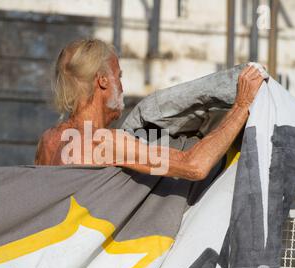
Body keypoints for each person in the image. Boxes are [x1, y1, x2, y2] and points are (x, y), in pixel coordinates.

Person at [35, 39, 265, 181]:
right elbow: (194, 166)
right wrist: (242, 105)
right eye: (119, 76)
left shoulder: (48, 141)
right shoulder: (104, 142)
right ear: (103, 81)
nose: (122, 87)